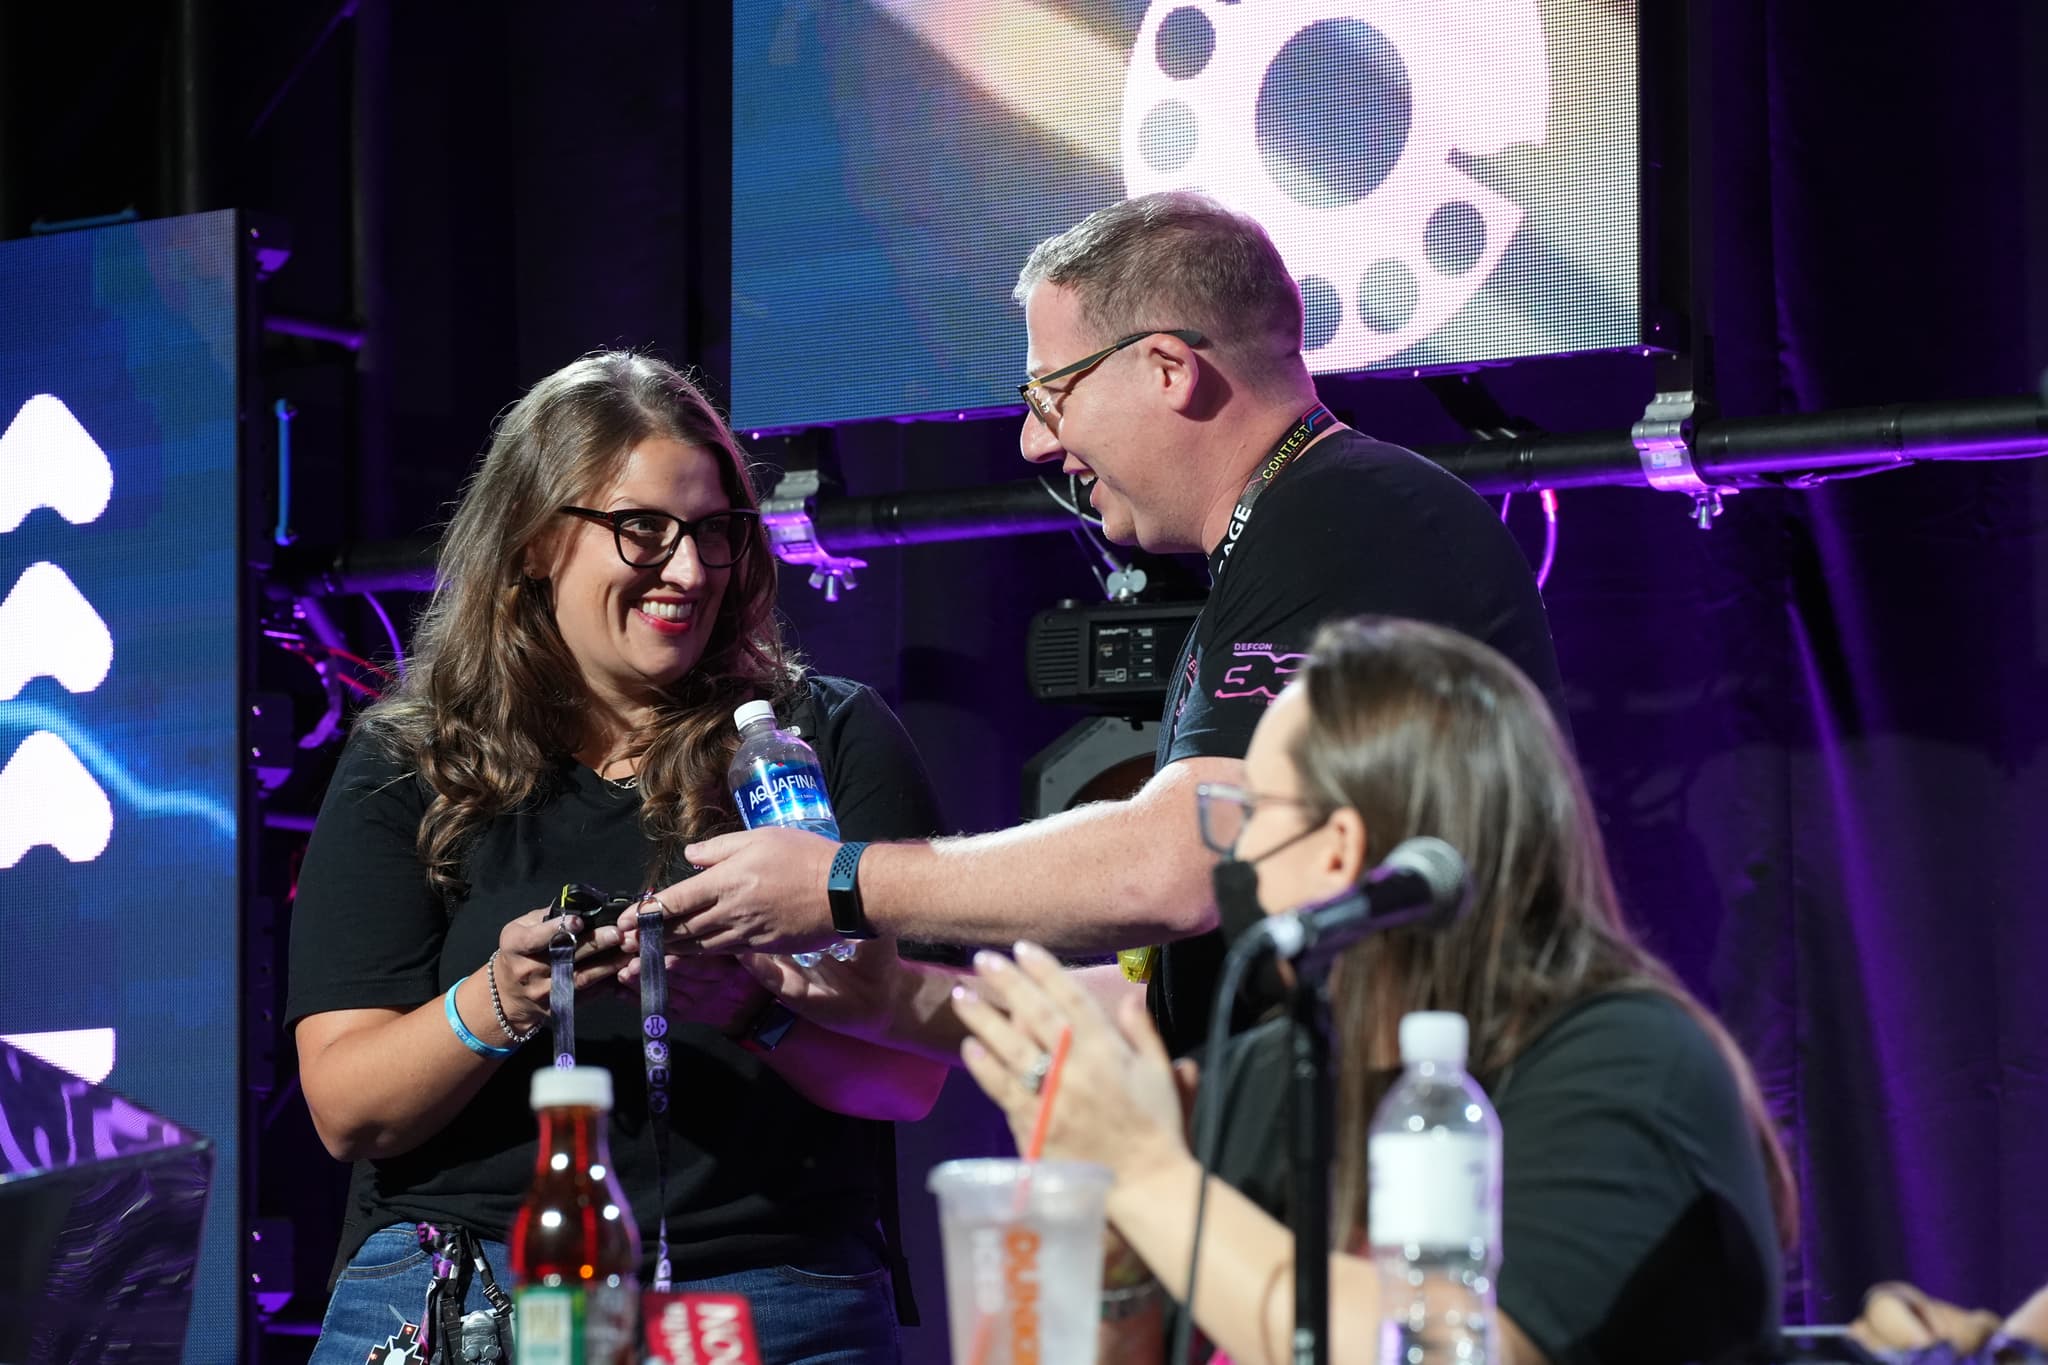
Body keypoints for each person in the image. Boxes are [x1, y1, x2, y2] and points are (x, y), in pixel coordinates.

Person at [654, 191, 1566, 1060]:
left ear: (1168, 368)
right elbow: (1167, 1005)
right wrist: (890, 1000)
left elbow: (1173, 870)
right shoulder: (1303, 529)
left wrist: (843, 881)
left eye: (1051, 394)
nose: (1035, 443)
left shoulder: (1347, 514)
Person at [285, 351, 947, 1365]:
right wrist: (501, 1000)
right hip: (471, 1287)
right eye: (644, 530)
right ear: (538, 541)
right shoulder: (410, 760)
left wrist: (744, 1007)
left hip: (761, 1290)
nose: (688, 571)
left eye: (715, 532)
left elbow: (905, 1083)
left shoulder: (820, 739)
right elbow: (347, 1108)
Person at [952, 616, 1797, 1365]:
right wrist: (1111, 1241)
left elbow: (1458, 1354)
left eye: (1254, 811)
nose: (1235, 852)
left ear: (1337, 847)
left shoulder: (1627, 1061)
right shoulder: (1282, 1071)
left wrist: (1142, 1167)